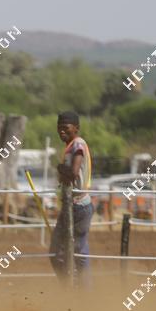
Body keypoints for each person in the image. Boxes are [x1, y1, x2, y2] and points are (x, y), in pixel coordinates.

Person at [51, 110, 93, 287]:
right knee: (65, 251)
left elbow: (73, 173)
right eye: (59, 127)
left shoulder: (78, 144)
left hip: (78, 205)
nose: (61, 131)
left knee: (70, 251)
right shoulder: (71, 146)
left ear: (76, 128)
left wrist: (61, 168)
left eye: (65, 127)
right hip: (73, 204)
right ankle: (74, 287)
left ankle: (79, 289)